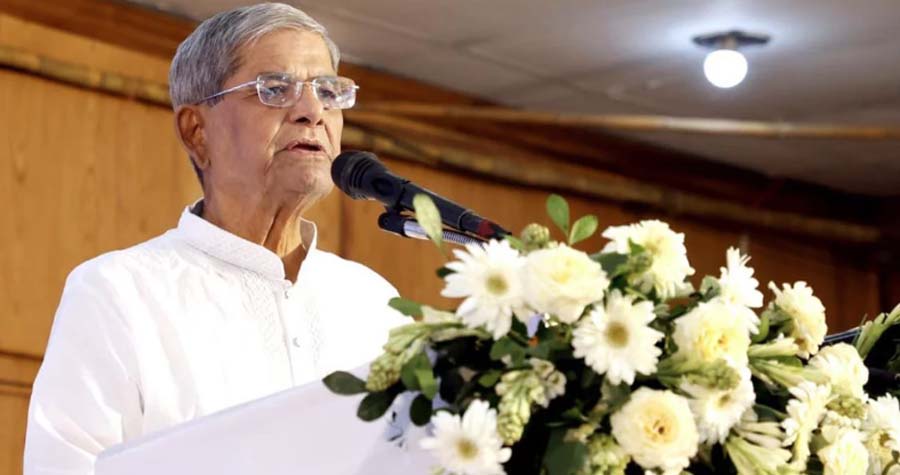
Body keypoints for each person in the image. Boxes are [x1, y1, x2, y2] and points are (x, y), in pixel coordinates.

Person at [23, 4, 407, 473]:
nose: (312, 112)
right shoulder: (118, 292)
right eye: (275, 89)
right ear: (197, 131)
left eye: (329, 92)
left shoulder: (373, 301)